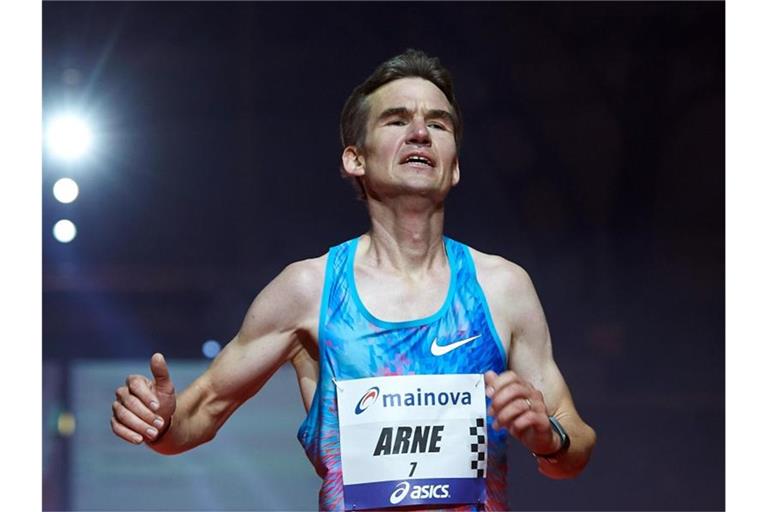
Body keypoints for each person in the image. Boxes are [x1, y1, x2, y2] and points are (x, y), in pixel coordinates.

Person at [111, 49, 596, 511]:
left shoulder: (503, 287)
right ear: (354, 159)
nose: (421, 133)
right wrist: (157, 422)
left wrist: (548, 437)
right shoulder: (308, 290)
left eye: (438, 123)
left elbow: (575, 448)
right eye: (397, 120)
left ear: (455, 168)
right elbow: (196, 418)